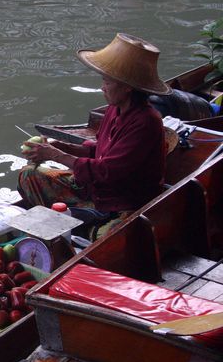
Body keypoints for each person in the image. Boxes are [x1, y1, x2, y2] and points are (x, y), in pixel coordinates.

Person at [18, 33, 171, 239]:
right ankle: (76, 224)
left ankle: (80, 228)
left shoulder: (146, 122)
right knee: (29, 176)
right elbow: (98, 150)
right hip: (95, 192)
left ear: (126, 87)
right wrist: (60, 146)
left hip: (125, 204)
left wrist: (54, 155)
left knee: (105, 237)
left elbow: (107, 170)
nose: (102, 86)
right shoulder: (114, 109)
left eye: (107, 81)